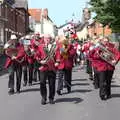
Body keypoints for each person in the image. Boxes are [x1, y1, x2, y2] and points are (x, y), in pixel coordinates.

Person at [35, 34, 60, 105]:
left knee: (52, 84)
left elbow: (58, 55)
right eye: (46, 38)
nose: (47, 39)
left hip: (52, 67)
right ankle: (44, 97)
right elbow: (37, 55)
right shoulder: (40, 46)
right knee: (42, 82)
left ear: (50, 39)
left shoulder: (55, 47)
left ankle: (51, 98)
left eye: (48, 38)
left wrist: (57, 62)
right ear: (44, 39)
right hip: (44, 67)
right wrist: (40, 61)